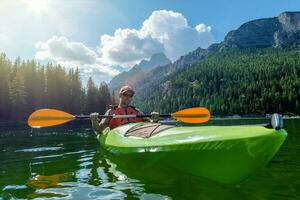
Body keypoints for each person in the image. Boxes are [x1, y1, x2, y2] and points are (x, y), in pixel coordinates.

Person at [90, 85, 159, 135]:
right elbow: (99, 130)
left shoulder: (137, 111)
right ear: (120, 95)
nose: (128, 97)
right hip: (119, 137)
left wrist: (154, 119)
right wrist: (94, 120)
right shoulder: (111, 112)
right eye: (125, 94)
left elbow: (151, 124)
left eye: (130, 95)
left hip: (137, 135)